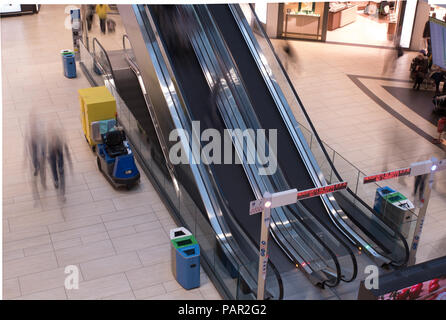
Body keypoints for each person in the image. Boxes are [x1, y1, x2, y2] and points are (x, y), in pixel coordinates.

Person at [24, 112, 47, 201]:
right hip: (33, 146)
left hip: (40, 148)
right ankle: (36, 169)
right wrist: (25, 156)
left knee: (42, 168)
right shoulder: (28, 126)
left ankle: (43, 181)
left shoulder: (40, 124)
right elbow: (26, 139)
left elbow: (43, 137)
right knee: (35, 161)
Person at [47, 126, 72, 200]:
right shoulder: (49, 142)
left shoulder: (60, 140)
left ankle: (62, 194)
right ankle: (56, 180)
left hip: (59, 156)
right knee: (54, 169)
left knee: (61, 173)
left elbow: (66, 148)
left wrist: (69, 159)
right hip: (52, 157)